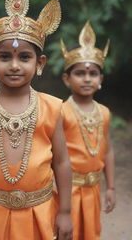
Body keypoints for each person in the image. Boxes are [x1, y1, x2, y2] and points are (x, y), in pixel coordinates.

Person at [0, 0, 73, 240]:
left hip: (40, 213)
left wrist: (65, 211)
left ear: (40, 63)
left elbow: (62, 162)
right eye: (4, 57)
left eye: (24, 57)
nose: (14, 66)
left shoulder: (52, 107)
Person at [60, 21, 116, 240]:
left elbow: (108, 151)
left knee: (91, 234)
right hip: (67, 190)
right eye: (80, 73)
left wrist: (110, 187)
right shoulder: (61, 111)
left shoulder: (104, 112)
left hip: (93, 188)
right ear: (67, 79)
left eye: (93, 73)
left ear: (100, 79)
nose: (86, 78)